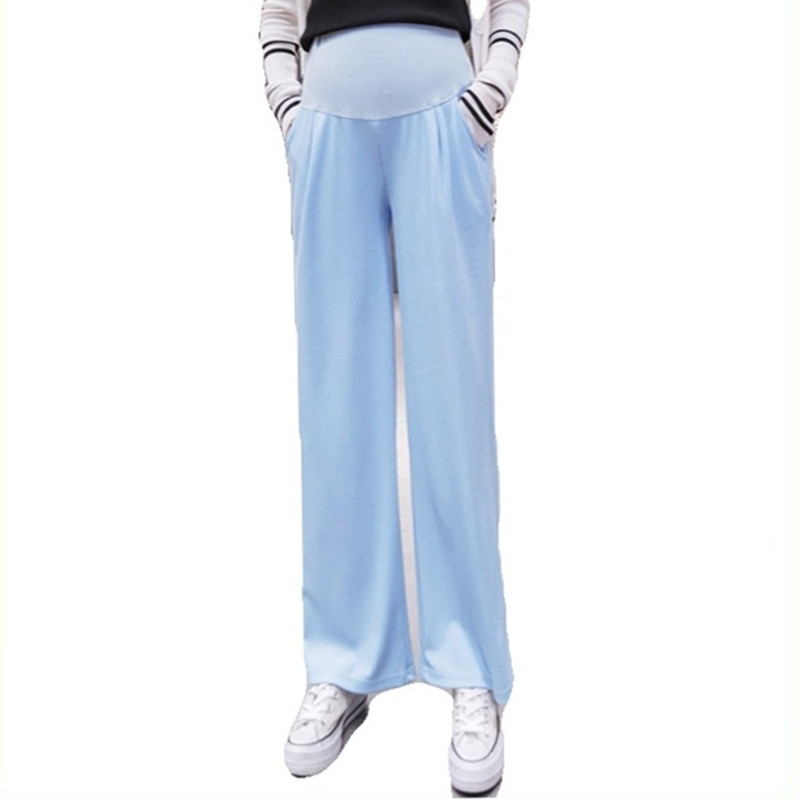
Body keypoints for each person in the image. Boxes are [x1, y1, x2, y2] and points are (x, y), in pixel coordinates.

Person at [258, 0, 529, 793]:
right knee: (334, 401)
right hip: (329, 118)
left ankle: (472, 667)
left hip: (445, 111)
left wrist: (495, 83)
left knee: (454, 395)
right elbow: (277, 8)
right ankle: (342, 659)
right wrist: (289, 107)